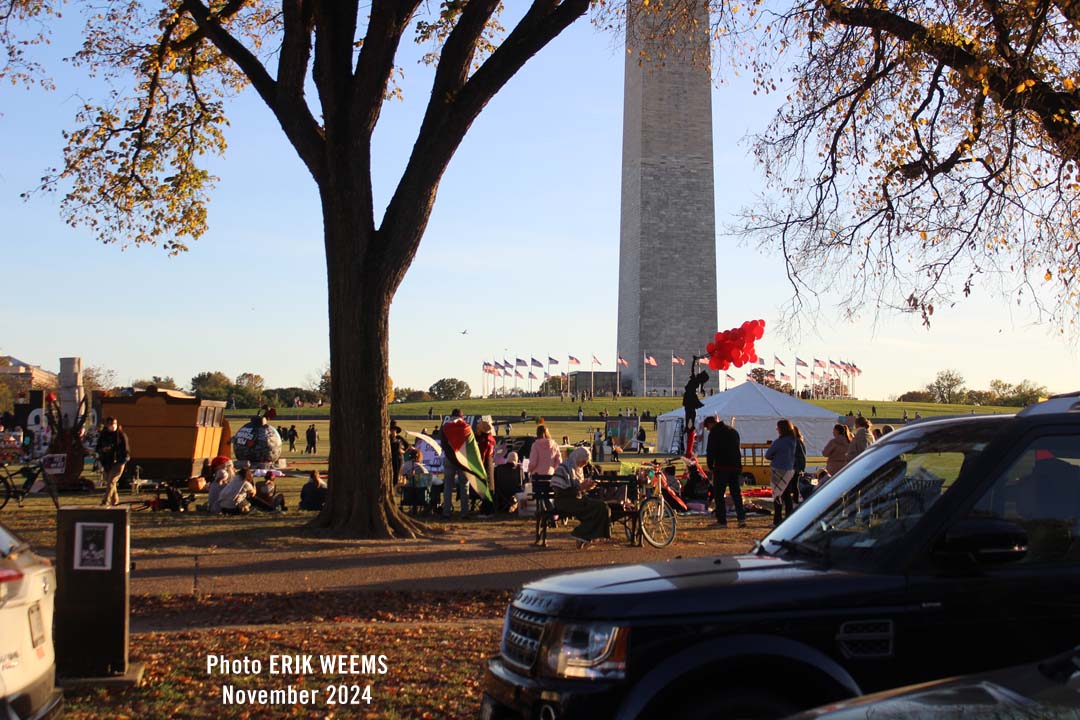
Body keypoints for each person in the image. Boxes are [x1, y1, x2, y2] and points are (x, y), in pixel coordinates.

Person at [550, 447, 610, 548]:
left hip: (577, 499)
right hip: (565, 501)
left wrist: (587, 486)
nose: (584, 465)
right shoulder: (563, 468)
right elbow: (560, 491)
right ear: (577, 458)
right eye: (583, 462)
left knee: (604, 507)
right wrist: (581, 487)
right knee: (599, 507)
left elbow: (578, 488)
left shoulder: (577, 469)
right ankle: (580, 533)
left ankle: (587, 537)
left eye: (585, 463)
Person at [704, 416, 746, 527]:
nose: (708, 430)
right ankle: (741, 519)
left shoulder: (714, 433)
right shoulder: (733, 431)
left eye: (707, 427)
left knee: (719, 494)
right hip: (735, 466)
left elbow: (711, 451)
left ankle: (722, 520)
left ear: (710, 424)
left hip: (721, 467)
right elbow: (738, 450)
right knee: (736, 494)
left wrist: (710, 465)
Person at [765, 419, 797, 527]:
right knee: (787, 495)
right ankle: (789, 518)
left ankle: (777, 520)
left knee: (777, 495)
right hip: (789, 470)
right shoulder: (793, 441)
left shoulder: (779, 442)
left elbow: (768, 455)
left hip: (778, 469)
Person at [440, 409, 472, 517]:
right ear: (462, 417)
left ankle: (446, 511)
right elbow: (470, 445)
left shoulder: (445, 427)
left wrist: (449, 454)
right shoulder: (466, 427)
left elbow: (443, 444)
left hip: (449, 459)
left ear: (451, 416)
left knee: (448, 486)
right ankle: (464, 511)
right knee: (464, 486)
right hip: (463, 460)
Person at [97, 416, 131, 507]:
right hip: (107, 462)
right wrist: (103, 450)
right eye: (111, 424)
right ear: (107, 425)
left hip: (119, 462)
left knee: (111, 481)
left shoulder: (121, 435)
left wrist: (124, 460)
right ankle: (115, 502)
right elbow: (98, 447)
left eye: (114, 424)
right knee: (111, 483)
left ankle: (105, 501)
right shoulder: (103, 435)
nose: (113, 426)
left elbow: (126, 450)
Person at [474, 420, 497, 515]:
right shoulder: (490, 438)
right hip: (489, 463)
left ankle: (487, 511)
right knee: (489, 487)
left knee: (485, 488)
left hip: (484, 465)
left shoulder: (484, 441)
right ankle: (488, 509)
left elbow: (482, 455)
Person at [788, 425, 807, 506]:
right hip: (795, 466)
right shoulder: (797, 441)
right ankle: (794, 501)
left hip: (795, 467)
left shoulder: (797, 441)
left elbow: (801, 456)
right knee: (794, 485)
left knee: (793, 485)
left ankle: (794, 501)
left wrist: (801, 467)